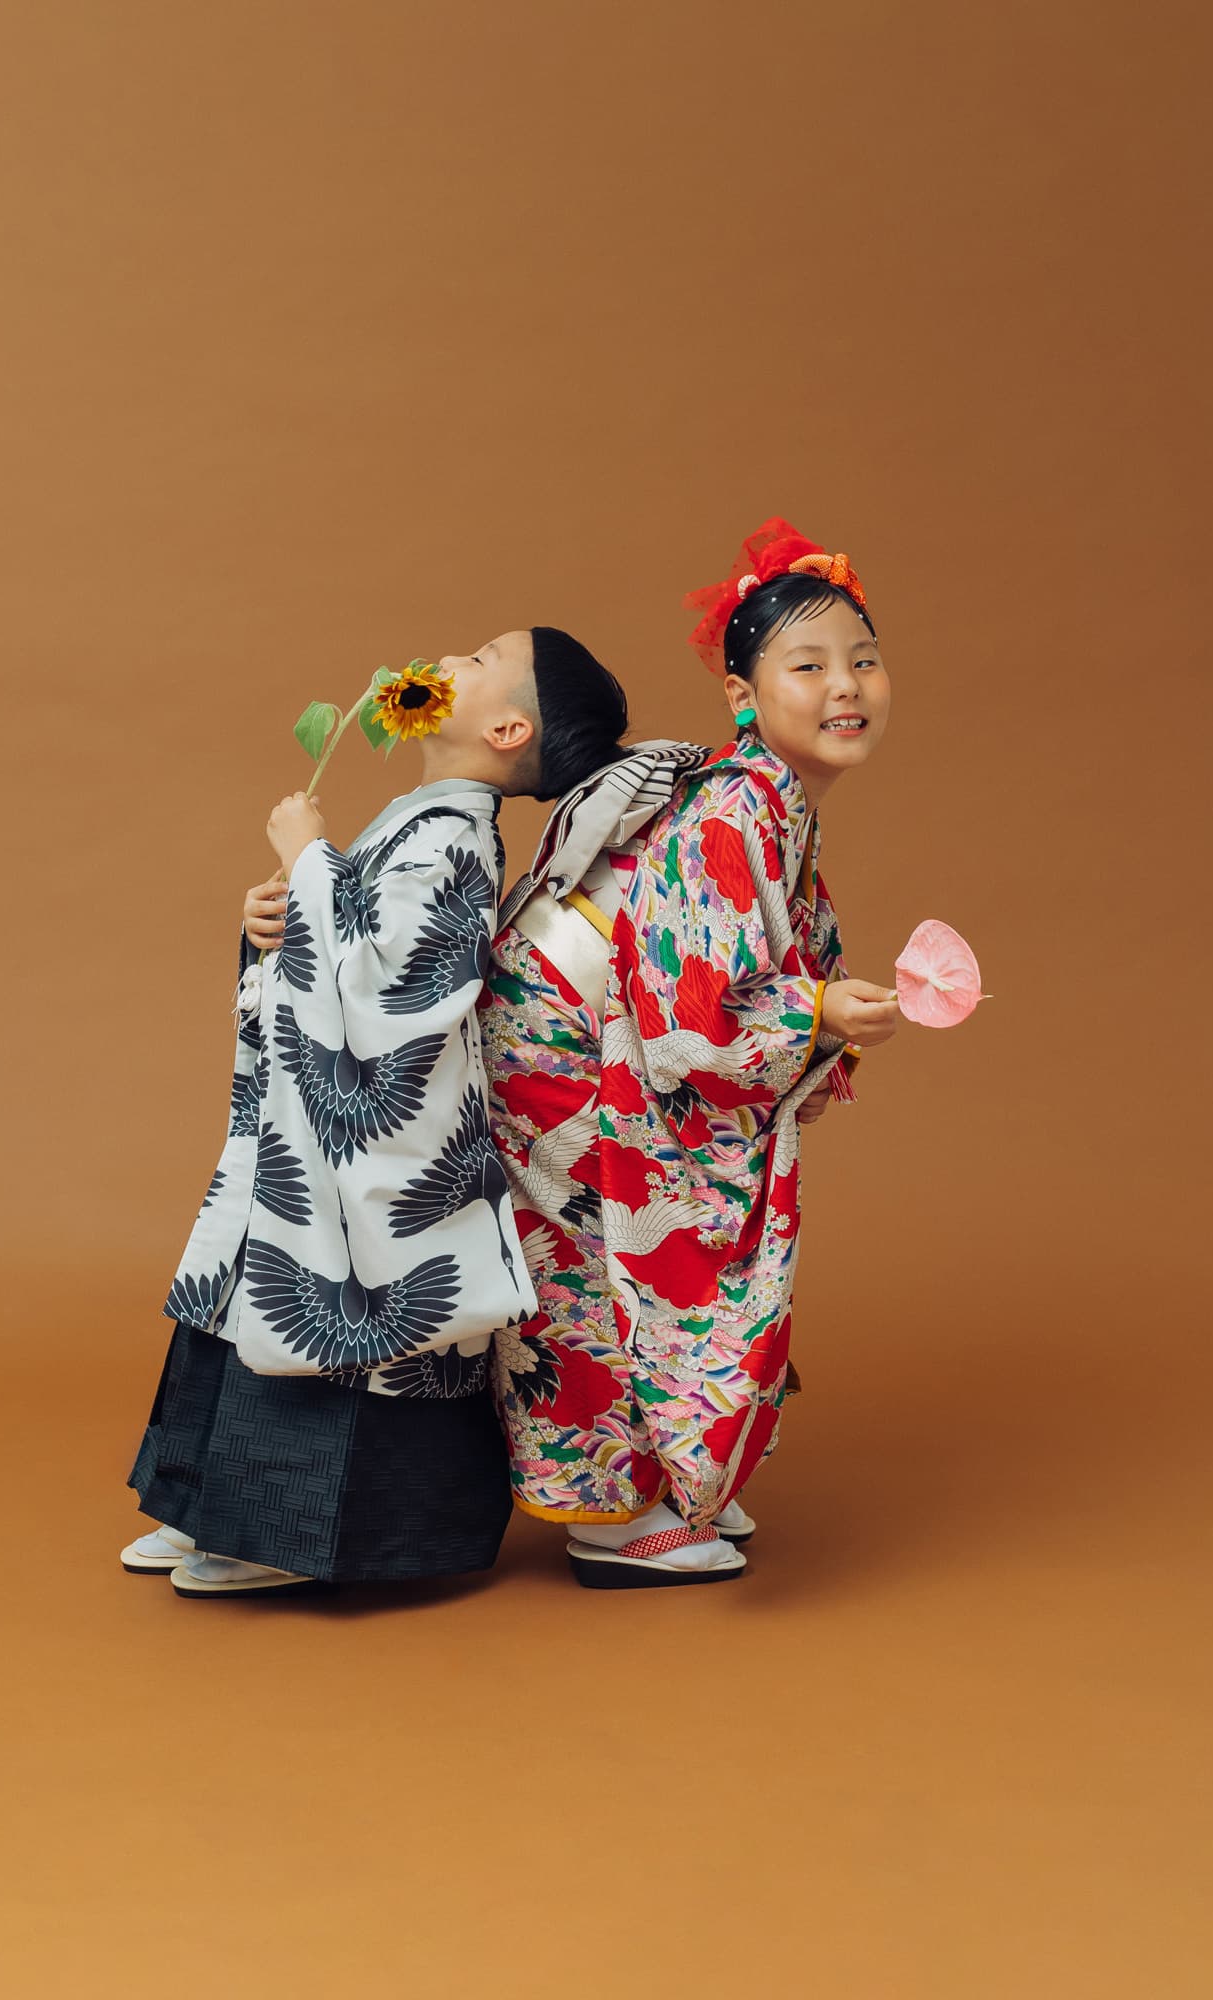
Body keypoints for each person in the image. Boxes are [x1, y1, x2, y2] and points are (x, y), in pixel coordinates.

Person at [123, 627, 629, 1597]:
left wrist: (309, 855)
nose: (452, 661)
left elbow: (391, 989)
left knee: (341, 1306)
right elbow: (345, 950)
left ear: (508, 728)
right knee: (259, 1285)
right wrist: (272, 925)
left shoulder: (456, 837)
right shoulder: (420, 821)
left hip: (378, 1139)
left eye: (482, 660)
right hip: (312, 1127)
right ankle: (209, 1506)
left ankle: (277, 1538)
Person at [481, 519, 900, 1586]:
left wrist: (818, 1021)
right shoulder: (731, 808)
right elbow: (688, 1020)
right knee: (593, 1264)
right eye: (808, 665)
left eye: (861, 660)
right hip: (567, 1048)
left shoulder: (767, 800)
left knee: (622, 1255)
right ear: (741, 694)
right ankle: (615, 1516)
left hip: (592, 1024)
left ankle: (674, 1474)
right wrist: (816, 1013)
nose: (844, 686)